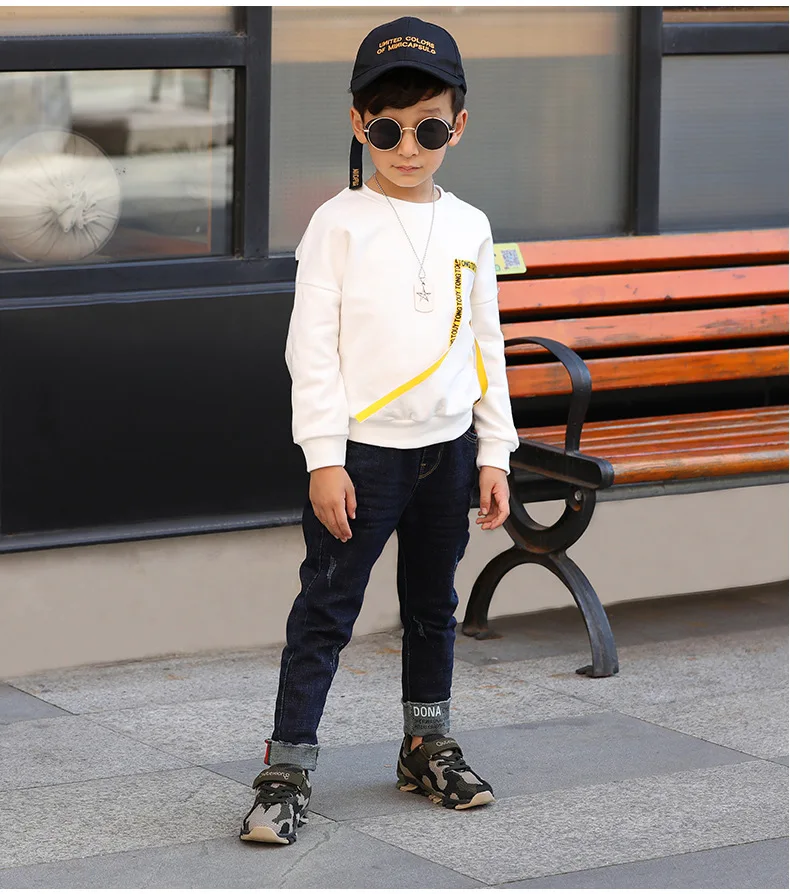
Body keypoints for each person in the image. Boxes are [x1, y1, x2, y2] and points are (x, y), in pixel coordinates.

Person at [240, 16, 519, 846]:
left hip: (449, 452)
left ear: (458, 127)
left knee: (434, 606)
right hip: (364, 457)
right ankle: (286, 769)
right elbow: (311, 351)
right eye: (388, 128)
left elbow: (486, 345)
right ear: (359, 123)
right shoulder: (338, 222)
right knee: (326, 611)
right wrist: (324, 458)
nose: (408, 147)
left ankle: (426, 744)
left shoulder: (470, 224)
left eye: (429, 128)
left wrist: (495, 450)